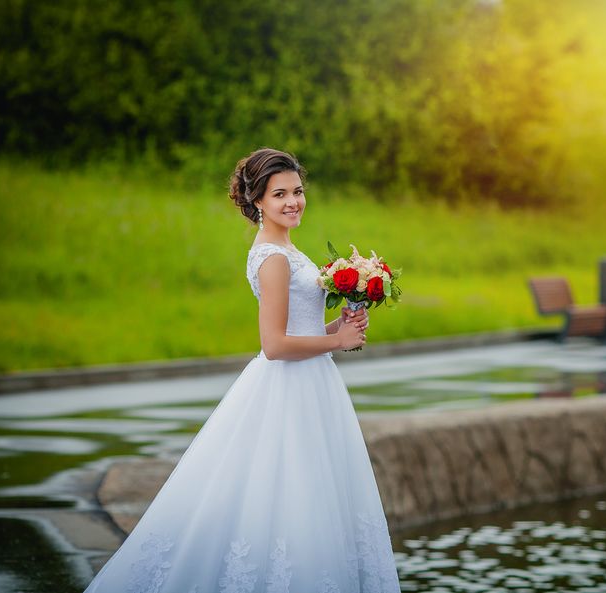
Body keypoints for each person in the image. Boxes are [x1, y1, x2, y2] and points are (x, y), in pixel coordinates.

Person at [82, 148, 403, 592]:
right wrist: (337, 341)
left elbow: (297, 326)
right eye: (280, 195)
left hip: (311, 383)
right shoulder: (272, 257)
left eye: (297, 191)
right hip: (290, 387)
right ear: (257, 202)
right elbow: (273, 345)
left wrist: (337, 325)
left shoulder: (285, 246)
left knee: (305, 499)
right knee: (290, 497)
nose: (293, 201)